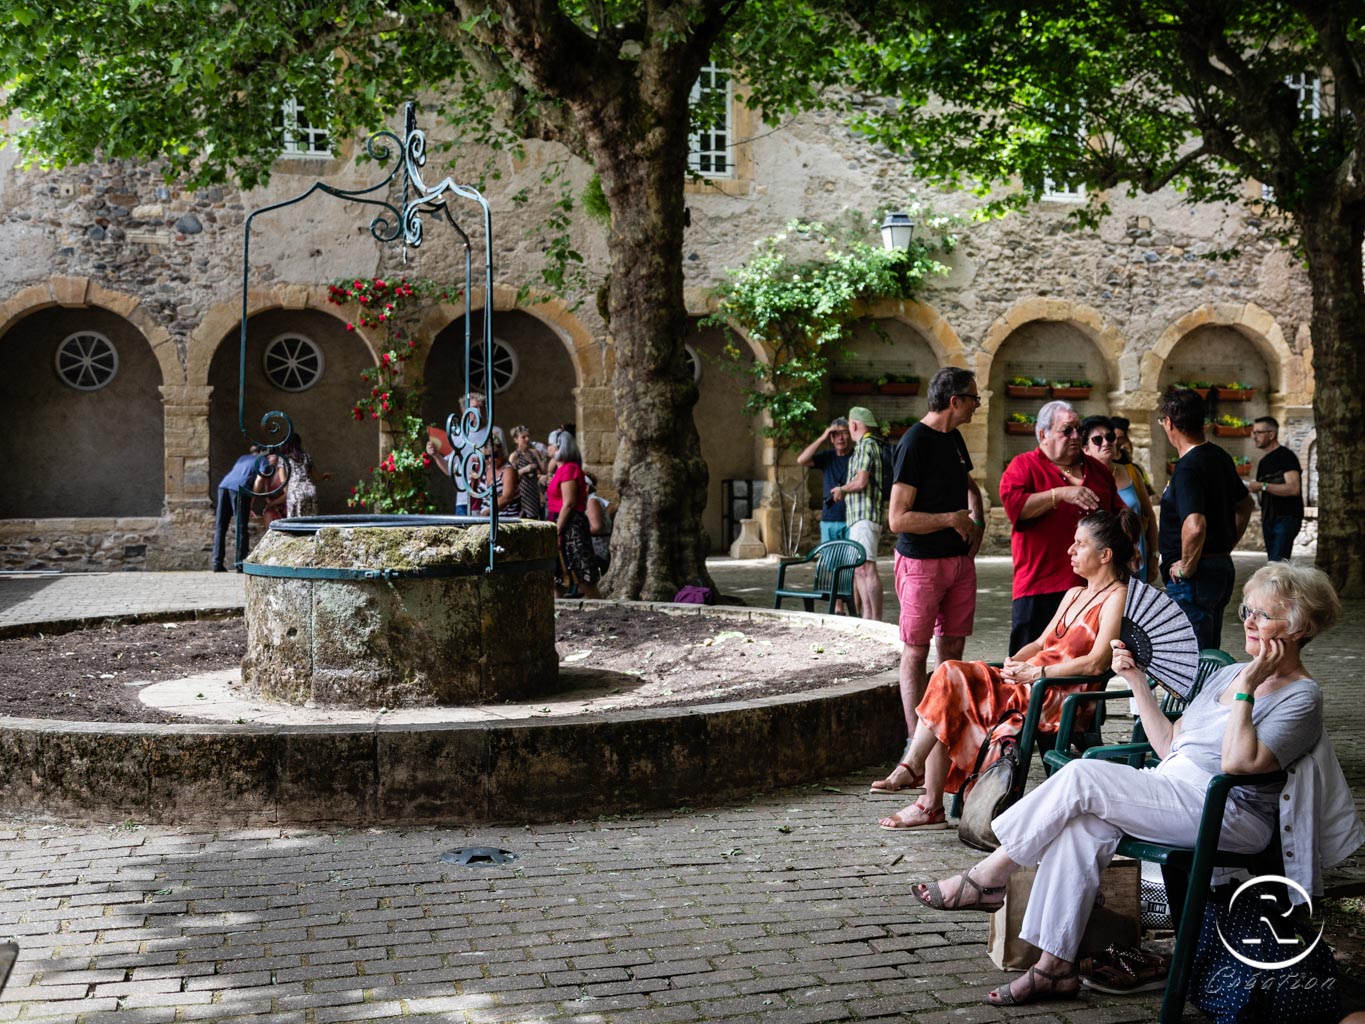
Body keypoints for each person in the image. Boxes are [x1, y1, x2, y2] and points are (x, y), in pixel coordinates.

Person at [910, 562, 1356, 1007]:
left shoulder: (1301, 696)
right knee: (1083, 825)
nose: (1250, 623)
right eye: (1246, 611)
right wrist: (1136, 682)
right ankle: (1053, 968)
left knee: (1084, 775)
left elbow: (1239, 763)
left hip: (1228, 813)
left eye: (1265, 615)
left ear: (1299, 629)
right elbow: (1170, 747)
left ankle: (988, 877)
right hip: (1173, 792)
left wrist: (1251, 687)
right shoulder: (1227, 673)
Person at [877, 510, 1135, 829]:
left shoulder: (1118, 597)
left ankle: (924, 792)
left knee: (951, 684)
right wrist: (1016, 663)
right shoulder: (1074, 593)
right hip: (1029, 684)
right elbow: (1040, 644)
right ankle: (922, 788)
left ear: (1105, 555)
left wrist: (1036, 675)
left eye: (1080, 544)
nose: (1070, 550)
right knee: (946, 677)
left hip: (1058, 696)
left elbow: (1097, 662)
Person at [871, 368, 986, 795]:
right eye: (974, 397)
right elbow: (897, 518)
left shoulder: (954, 439)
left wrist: (977, 517)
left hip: (959, 564)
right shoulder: (914, 443)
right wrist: (950, 519)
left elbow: (967, 484)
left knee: (952, 653)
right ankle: (911, 747)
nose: (978, 404)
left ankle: (942, 739)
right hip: (921, 564)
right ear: (954, 400)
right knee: (916, 652)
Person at [999, 401, 1122, 653]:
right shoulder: (1023, 466)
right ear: (1044, 434)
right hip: (1039, 585)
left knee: (1083, 663)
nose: (1076, 436)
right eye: (1067, 430)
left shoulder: (1097, 469)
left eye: (1078, 429)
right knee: (1029, 662)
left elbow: (1117, 516)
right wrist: (1058, 494)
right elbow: (1016, 509)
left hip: (1090, 587)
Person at [1159, 387, 1254, 649]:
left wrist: (1186, 567)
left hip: (1195, 577)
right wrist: (1226, 545)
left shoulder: (1188, 467)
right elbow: (1246, 504)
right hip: (1219, 567)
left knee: (1193, 657)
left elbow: (1195, 525)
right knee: (1209, 651)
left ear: (1169, 423)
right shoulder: (1219, 456)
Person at [1081, 415, 1157, 582]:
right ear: (1085, 449)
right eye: (1097, 440)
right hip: (1103, 568)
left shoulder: (1131, 472)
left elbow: (1149, 516)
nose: (1106, 442)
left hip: (1137, 564)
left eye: (1110, 437)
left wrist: (1154, 557)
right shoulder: (1082, 481)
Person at [831, 407, 886, 621]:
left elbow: (862, 481)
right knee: (859, 569)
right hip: (859, 517)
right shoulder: (868, 445)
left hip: (865, 515)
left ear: (854, 425)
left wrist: (842, 489)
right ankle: (868, 618)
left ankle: (875, 620)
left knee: (867, 568)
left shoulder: (866, 446)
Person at [546, 430, 602, 599]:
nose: (547, 448)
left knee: (582, 571)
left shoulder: (569, 469)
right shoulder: (561, 468)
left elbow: (568, 503)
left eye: (550, 445)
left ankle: (597, 604)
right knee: (557, 575)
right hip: (561, 521)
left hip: (570, 524)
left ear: (558, 447)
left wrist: (556, 529)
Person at [1248, 416, 1303, 562]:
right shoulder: (1263, 462)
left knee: (1277, 565)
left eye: (1259, 433)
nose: (1255, 437)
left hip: (1286, 517)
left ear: (1271, 434)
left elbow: (1294, 488)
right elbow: (1262, 494)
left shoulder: (1286, 456)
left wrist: (1263, 486)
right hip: (1268, 518)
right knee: (1273, 563)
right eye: (1254, 433)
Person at [796, 417, 853, 543]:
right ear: (831, 438)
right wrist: (822, 438)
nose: (841, 438)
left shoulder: (857, 456)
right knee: (830, 561)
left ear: (850, 435)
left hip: (851, 519)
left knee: (851, 561)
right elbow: (801, 460)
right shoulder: (827, 457)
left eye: (844, 433)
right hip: (829, 519)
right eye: (836, 434)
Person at [210, 445, 265, 573]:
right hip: (240, 490)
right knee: (241, 527)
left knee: (220, 526)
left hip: (224, 486)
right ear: (262, 452)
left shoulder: (242, 458)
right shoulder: (262, 460)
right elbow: (260, 478)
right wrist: (252, 499)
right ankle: (240, 563)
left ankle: (217, 562)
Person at [279, 434, 330, 518]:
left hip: (294, 492)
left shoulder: (284, 459)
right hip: (310, 491)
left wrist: (287, 494)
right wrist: (324, 476)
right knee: (311, 522)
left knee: (295, 524)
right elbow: (317, 478)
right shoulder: (306, 457)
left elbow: (283, 481)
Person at [476, 435, 519, 518]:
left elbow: (506, 498)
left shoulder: (508, 470)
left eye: (494, 455)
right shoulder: (487, 469)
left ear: (501, 452)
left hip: (505, 519)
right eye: (486, 457)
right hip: (488, 519)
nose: (490, 459)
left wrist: (488, 512)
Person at [509, 425, 547, 521]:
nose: (527, 439)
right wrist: (524, 470)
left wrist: (543, 457)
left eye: (528, 436)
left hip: (534, 493)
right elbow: (510, 477)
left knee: (535, 519)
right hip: (522, 494)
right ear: (516, 440)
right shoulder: (514, 456)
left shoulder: (533, 453)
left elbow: (543, 470)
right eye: (523, 437)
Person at [1110, 416, 1154, 495]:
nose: (1116, 442)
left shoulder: (1125, 454)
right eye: (1114, 438)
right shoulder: (1106, 455)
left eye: (1120, 438)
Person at [585, 475, 616, 573]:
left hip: (598, 550)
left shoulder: (592, 501)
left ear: (586, 487)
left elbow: (596, 527)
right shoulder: (591, 500)